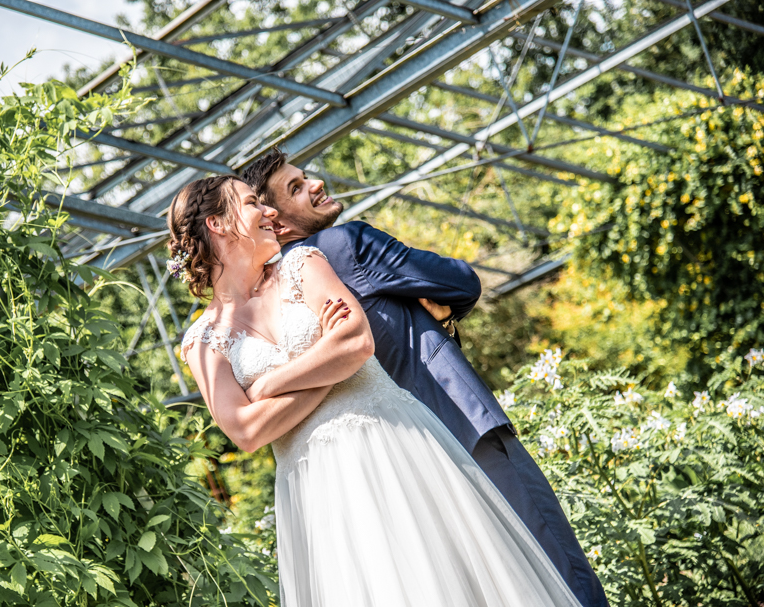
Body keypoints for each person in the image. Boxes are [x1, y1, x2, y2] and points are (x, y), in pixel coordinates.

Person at [171, 174, 582, 606]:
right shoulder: (202, 341)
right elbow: (245, 431)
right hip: (319, 492)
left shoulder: (304, 263)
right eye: (255, 202)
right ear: (217, 224)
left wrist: (270, 384)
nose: (269, 212)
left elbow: (356, 344)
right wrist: (329, 362)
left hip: (399, 447)